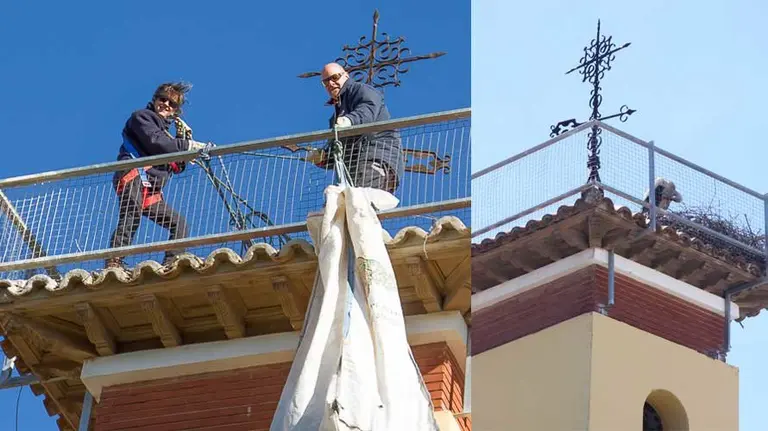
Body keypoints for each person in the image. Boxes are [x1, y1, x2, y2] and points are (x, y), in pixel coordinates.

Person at [106, 82, 209, 269]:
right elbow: (156, 143)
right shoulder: (141, 118)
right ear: (155, 100)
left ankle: (172, 262)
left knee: (179, 224)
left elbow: (176, 165)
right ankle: (114, 261)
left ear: (175, 111)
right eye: (163, 99)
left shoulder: (168, 137)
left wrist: (182, 139)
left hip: (151, 188)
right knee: (131, 215)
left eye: (172, 104)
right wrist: (188, 146)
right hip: (134, 176)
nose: (166, 104)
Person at [306, 62, 404, 193]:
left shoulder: (361, 90)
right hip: (354, 169)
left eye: (334, 77)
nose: (330, 83)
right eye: (325, 82)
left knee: (358, 204)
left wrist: (349, 120)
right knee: (349, 206)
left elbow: (368, 108)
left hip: (374, 160)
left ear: (346, 75)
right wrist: (324, 158)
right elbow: (341, 148)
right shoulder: (337, 114)